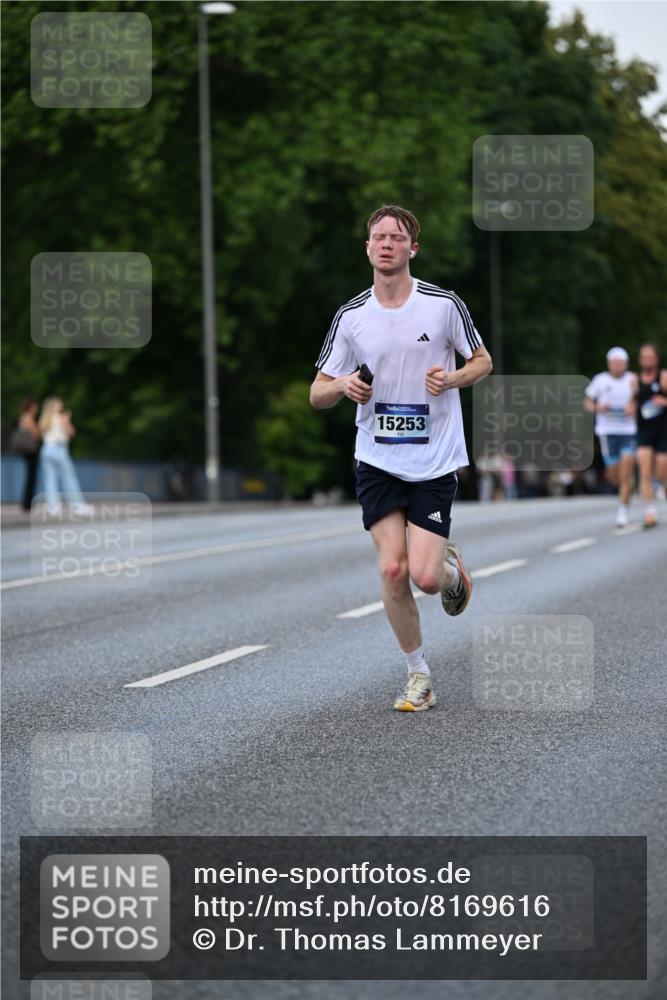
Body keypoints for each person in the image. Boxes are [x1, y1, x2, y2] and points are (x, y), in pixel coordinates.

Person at [310, 205, 492, 711]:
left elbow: (483, 361)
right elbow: (316, 393)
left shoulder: (442, 306)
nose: (386, 243)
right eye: (378, 237)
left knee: (426, 578)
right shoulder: (351, 317)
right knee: (393, 571)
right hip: (377, 458)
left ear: (414, 248)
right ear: (367, 248)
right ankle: (419, 676)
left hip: (433, 459)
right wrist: (342, 385)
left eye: (396, 237)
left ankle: (452, 571)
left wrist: (453, 377)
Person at [584, 347, 637, 528]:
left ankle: (623, 511)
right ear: (609, 364)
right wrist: (598, 407)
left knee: (626, 472)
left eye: (620, 362)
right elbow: (587, 403)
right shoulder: (600, 380)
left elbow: (642, 399)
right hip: (607, 432)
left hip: (628, 431)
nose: (617, 366)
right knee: (615, 476)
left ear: (626, 364)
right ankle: (626, 487)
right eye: (614, 362)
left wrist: (634, 407)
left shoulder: (632, 380)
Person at [38, 397, 93, 516]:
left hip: (46, 449)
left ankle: (53, 507)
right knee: (68, 478)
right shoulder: (61, 417)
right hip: (59, 449)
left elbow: (42, 436)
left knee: (50, 479)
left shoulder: (43, 419)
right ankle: (77, 505)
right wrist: (67, 419)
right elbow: (71, 432)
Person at [635, 342, 667, 528]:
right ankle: (650, 512)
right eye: (644, 357)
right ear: (640, 360)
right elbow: (629, 400)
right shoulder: (634, 380)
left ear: (656, 359)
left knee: (662, 470)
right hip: (643, 431)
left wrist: (664, 401)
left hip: (663, 430)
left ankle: (661, 485)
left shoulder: (663, 377)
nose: (647, 360)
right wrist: (629, 406)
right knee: (644, 471)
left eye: (650, 356)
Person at [10, 397, 42, 511]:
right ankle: (27, 504)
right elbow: (37, 434)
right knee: (31, 477)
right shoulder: (28, 418)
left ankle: (26, 503)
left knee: (29, 477)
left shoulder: (22, 417)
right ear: (31, 407)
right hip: (31, 450)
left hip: (25, 451)